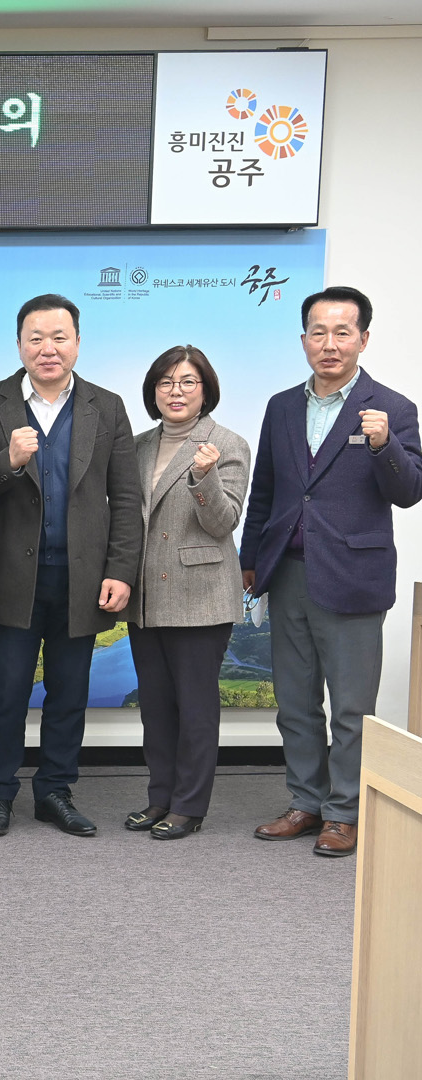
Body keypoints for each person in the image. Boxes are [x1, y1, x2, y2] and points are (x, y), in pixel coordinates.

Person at [241, 286, 422, 858]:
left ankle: (345, 812)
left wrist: (384, 445)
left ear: (363, 339)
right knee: (295, 704)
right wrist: (250, 561)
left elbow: (409, 491)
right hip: (287, 573)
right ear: (303, 340)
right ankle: (306, 802)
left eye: (343, 332)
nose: (330, 343)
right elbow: (265, 490)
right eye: (318, 332)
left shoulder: (392, 408)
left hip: (353, 577)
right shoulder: (281, 406)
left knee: (350, 708)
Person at [0, 294, 142, 838]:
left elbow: (126, 496)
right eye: (36, 338)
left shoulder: (106, 406)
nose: (48, 348)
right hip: (12, 575)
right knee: (5, 694)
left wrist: (120, 570)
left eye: (59, 337)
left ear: (78, 343)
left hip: (83, 578)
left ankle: (55, 792)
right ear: (19, 344)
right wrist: (10, 460)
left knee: (69, 694)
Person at [126, 346, 250, 840]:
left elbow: (223, 522)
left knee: (196, 710)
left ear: (206, 389)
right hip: (145, 597)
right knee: (156, 708)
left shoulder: (228, 443)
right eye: (166, 383)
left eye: (187, 382)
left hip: (201, 596)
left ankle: (189, 806)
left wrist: (203, 477)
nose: (175, 392)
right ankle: (160, 798)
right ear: (153, 391)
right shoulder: (136, 446)